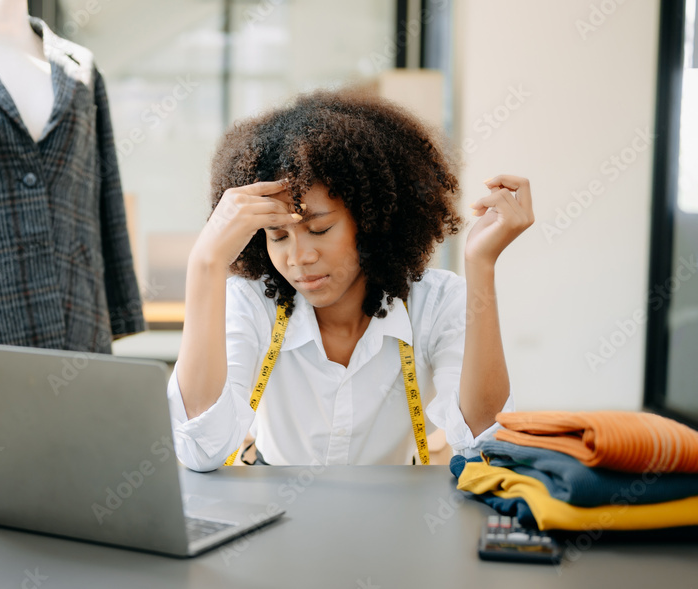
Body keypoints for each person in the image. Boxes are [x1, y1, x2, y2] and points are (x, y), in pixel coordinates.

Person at [168, 88, 534, 471]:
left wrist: (481, 264)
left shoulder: (436, 302)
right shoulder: (250, 304)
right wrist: (205, 263)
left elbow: (483, 445)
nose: (299, 257)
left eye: (320, 229)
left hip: (394, 518)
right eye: (277, 235)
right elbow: (200, 451)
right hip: (277, 515)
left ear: (372, 219)